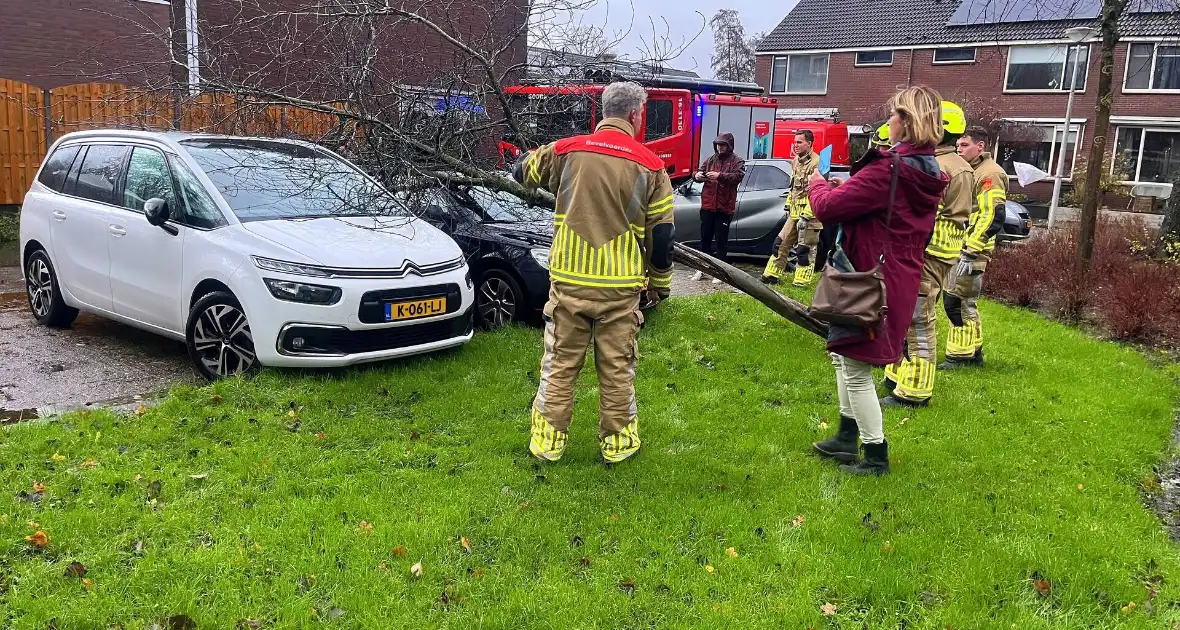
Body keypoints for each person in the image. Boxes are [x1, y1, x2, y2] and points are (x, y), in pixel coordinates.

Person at [513, 81, 676, 464]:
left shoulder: (567, 150)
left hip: (569, 281)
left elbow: (522, 172)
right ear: (636, 116)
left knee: (560, 362)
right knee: (617, 368)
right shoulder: (651, 166)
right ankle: (619, 445)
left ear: (604, 112)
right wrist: (661, 285)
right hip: (619, 287)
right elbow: (663, 237)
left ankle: (548, 444)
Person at [808, 86, 948, 475]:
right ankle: (844, 436)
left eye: (893, 115)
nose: (888, 121)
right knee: (843, 354)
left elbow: (827, 208)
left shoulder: (890, 169)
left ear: (906, 121)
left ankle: (874, 455)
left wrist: (818, 180)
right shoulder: (930, 170)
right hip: (896, 278)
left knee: (854, 369)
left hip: (869, 279)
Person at [881, 101, 974, 407]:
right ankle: (897, 375)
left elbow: (928, 215)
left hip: (927, 252)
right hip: (934, 252)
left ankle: (915, 392)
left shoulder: (944, 167)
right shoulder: (953, 164)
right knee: (903, 314)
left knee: (917, 318)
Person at [945, 126, 1007, 368]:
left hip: (973, 251)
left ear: (980, 146)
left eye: (964, 145)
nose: (959, 150)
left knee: (958, 302)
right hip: (964, 248)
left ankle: (961, 356)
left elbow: (992, 215)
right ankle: (973, 353)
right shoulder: (972, 170)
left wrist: (970, 251)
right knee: (962, 302)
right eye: (958, 145)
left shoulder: (989, 173)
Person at [761, 130, 821, 286]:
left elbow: (818, 191)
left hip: (810, 215)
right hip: (794, 213)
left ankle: (801, 281)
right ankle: (771, 275)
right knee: (780, 243)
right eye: (795, 142)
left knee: (804, 249)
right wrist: (788, 204)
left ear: (810, 143)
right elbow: (793, 187)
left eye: (799, 142)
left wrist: (807, 215)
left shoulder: (817, 163)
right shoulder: (795, 161)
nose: (796, 145)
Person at [691, 133, 745, 284]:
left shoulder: (737, 161)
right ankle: (702, 269)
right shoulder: (710, 159)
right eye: (718, 145)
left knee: (721, 241)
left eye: (723, 145)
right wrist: (698, 177)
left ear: (729, 145)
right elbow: (696, 173)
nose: (720, 148)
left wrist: (719, 175)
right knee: (705, 240)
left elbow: (737, 177)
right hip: (708, 205)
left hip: (724, 207)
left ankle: (721, 272)